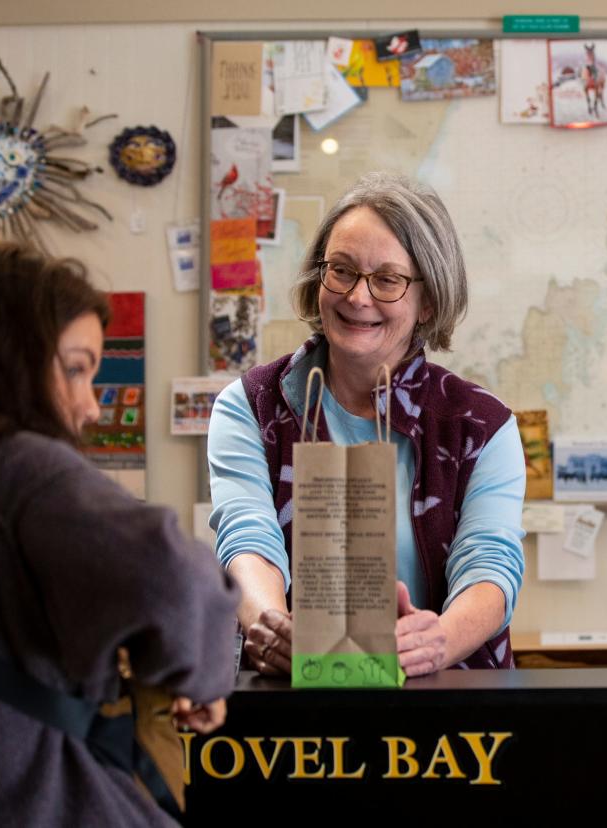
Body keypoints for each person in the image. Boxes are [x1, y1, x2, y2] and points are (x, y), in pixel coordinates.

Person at [0, 242, 240, 826]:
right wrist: (198, 674)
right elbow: (173, 573)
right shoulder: (19, 465)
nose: (90, 407)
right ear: (5, 357)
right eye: (75, 369)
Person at [209, 172, 525, 678]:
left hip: (450, 717)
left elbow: (490, 566)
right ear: (319, 281)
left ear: (429, 301)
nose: (358, 297)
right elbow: (248, 539)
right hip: (289, 711)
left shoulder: (481, 426)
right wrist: (271, 626)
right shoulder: (251, 405)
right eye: (342, 270)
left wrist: (436, 641)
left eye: (387, 280)